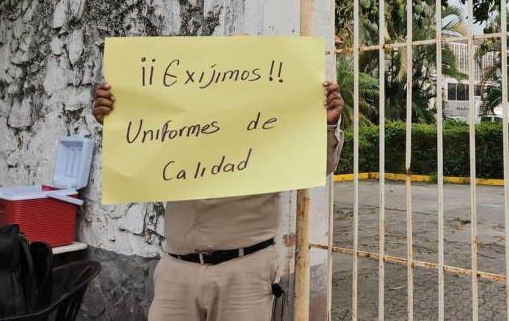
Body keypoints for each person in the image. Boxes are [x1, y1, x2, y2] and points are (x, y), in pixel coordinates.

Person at [92, 80, 344, 321]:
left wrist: (328, 126)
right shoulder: (179, 119)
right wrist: (116, 122)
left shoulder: (269, 120)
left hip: (244, 269)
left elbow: (316, 165)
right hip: (177, 268)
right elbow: (140, 155)